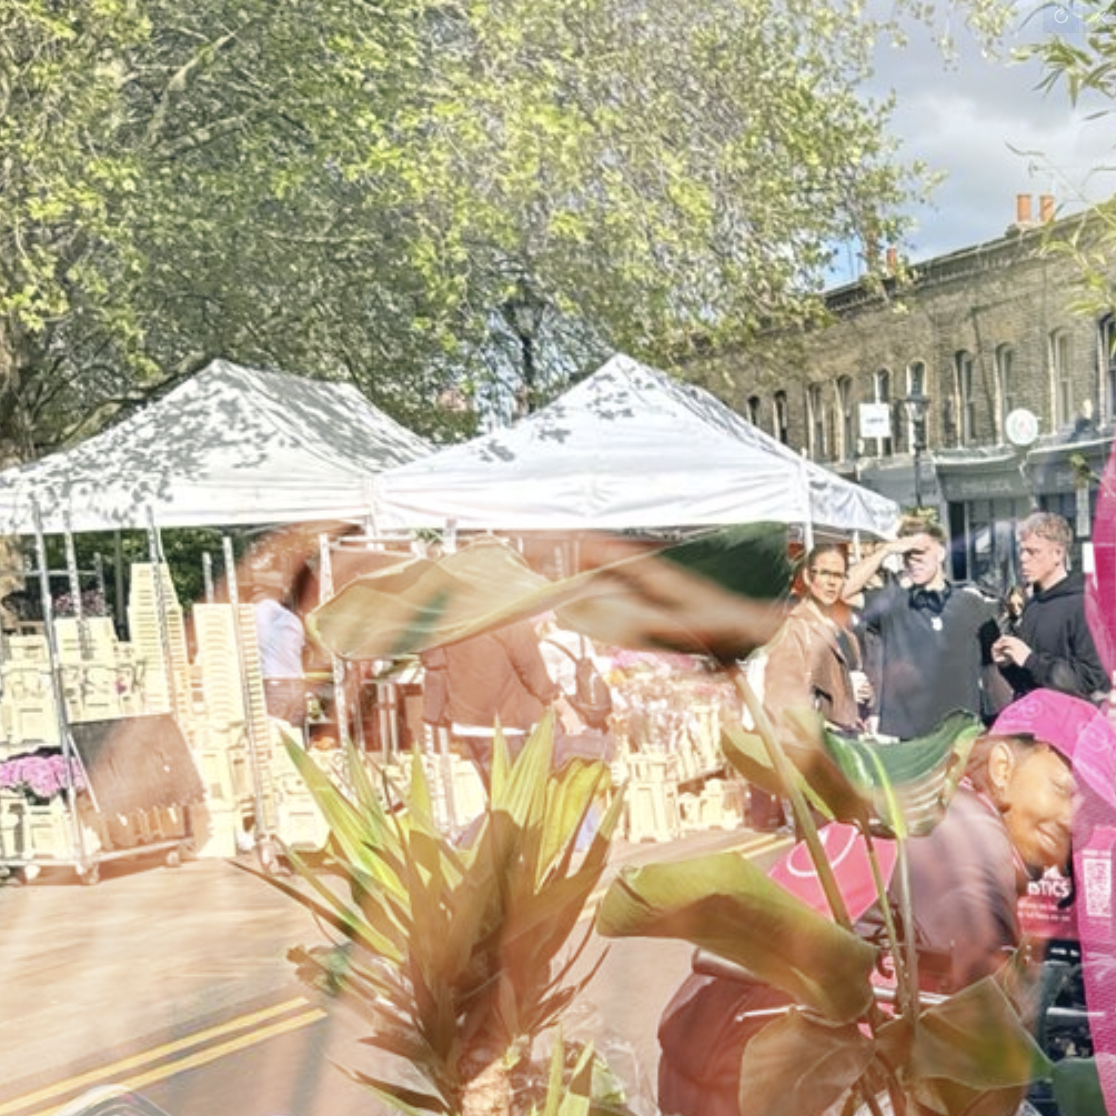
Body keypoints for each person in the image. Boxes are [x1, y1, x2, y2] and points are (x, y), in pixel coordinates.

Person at [656, 688, 1102, 1116]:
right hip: (754, 1076)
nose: (1072, 819)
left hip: (713, 1052)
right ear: (1003, 769)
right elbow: (991, 1041)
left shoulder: (937, 808)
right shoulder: (969, 839)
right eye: (1063, 790)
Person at [843, 518, 999, 738]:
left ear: (941, 553)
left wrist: (1000, 723)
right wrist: (886, 550)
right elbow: (843, 592)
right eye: (907, 556)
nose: (913, 562)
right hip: (912, 735)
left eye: (920, 553)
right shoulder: (894, 603)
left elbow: (991, 670)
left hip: (962, 731)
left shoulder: (971, 603)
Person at [751, 544, 871, 830]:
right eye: (825, 573)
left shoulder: (843, 630)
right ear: (807, 575)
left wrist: (858, 695)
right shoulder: (795, 628)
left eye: (839, 575)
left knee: (849, 845)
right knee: (822, 847)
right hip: (818, 758)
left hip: (848, 752)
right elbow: (783, 704)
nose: (832, 582)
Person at [421, 619, 562, 784]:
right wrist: (553, 698)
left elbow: (435, 668)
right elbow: (531, 666)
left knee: (489, 791)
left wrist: (433, 716)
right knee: (518, 795)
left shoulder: (450, 618)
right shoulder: (506, 617)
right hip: (507, 722)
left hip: (466, 723)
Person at [993, 511, 1110, 704]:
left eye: (1033, 552)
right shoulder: (1029, 603)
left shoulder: (1083, 604)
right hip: (1031, 721)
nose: (1023, 558)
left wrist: (1030, 660)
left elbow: (1092, 680)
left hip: (1071, 726)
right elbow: (1027, 683)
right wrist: (1007, 664)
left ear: (1058, 554)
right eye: (1021, 550)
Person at [251, 571, 307, 726]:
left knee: (273, 739)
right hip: (297, 684)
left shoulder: (251, 616)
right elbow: (299, 651)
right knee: (294, 741)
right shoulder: (293, 619)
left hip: (272, 684)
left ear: (258, 590)